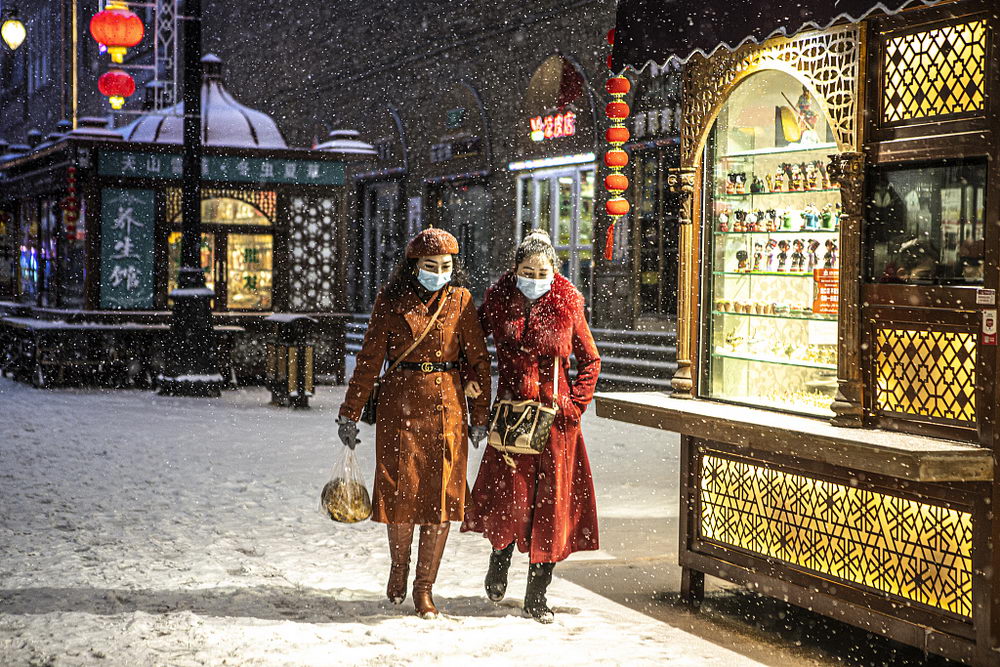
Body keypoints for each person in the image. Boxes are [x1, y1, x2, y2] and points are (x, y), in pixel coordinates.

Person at [337, 228, 491, 619]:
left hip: (448, 409)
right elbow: (370, 360)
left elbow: (478, 362)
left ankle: (425, 588)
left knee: (440, 501)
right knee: (401, 497)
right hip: (399, 408)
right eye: (430, 266)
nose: (439, 272)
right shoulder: (390, 301)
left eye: (446, 266)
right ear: (412, 267)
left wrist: (480, 417)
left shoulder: (461, 301)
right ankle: (399, 566)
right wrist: (350, 412)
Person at [462, 229, 601, 623]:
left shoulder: (568, 302)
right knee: (510, 497)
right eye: (528, 270)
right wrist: (472, 379)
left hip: (556, 422)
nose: (535, 278)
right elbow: (472, 342)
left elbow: (590, 359)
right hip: (511, 416)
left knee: (552, 506)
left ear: (554, 270)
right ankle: (499, 560)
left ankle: (537, 594)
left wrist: (575, 404)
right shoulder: (498, 300)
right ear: (515, 269)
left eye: (542, 271)